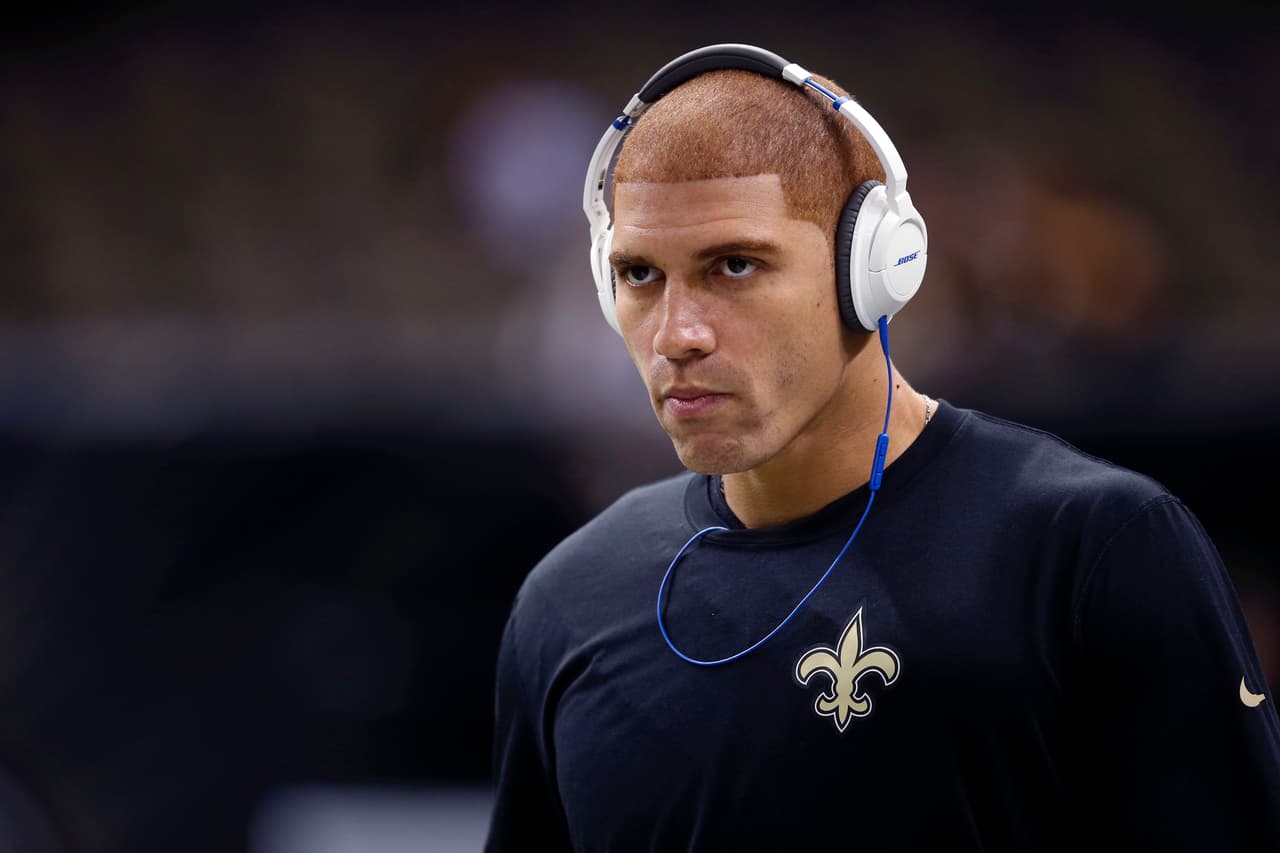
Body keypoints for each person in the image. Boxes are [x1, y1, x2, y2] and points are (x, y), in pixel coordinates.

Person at [484, 44, 1280, 851]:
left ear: (872, 269)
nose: (677, 333)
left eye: (734, 265)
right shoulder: (568, 599)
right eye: (639, 275)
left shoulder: (1093, 551)